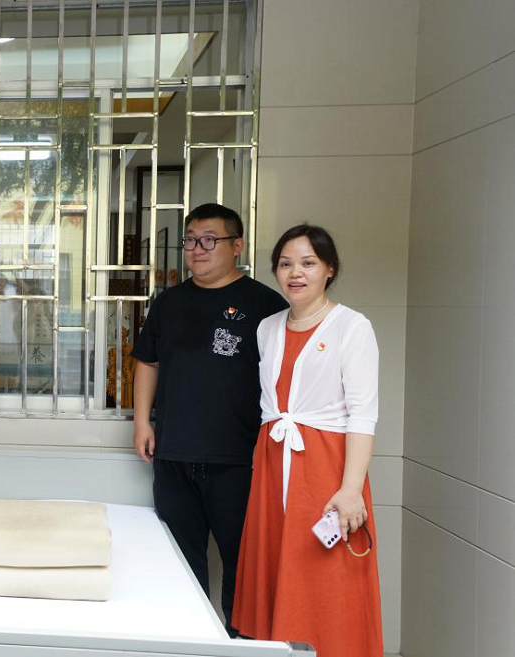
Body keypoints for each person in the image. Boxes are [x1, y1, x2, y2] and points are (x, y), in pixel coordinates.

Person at [130, 203, 287, 635]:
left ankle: (240, 639)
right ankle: (191, 639)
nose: (197, 249)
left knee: (243, 562)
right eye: (191, 240)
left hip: (239, 458)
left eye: (209, 240)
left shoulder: (266, 305)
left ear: (237, 246)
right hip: (174, 453)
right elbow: (148, 362)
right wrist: (142, 421)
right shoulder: (169, 303)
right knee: (180, 560)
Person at [233, 225, 382, 655]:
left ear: (329, 269)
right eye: (285, 264)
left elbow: (362, 415)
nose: (295, 273)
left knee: (326, 576)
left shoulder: (352, 327)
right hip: (272, 462)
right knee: (275, 567)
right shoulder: (267, 328)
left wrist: (351, 490)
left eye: (308, 263)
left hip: (324, 466)